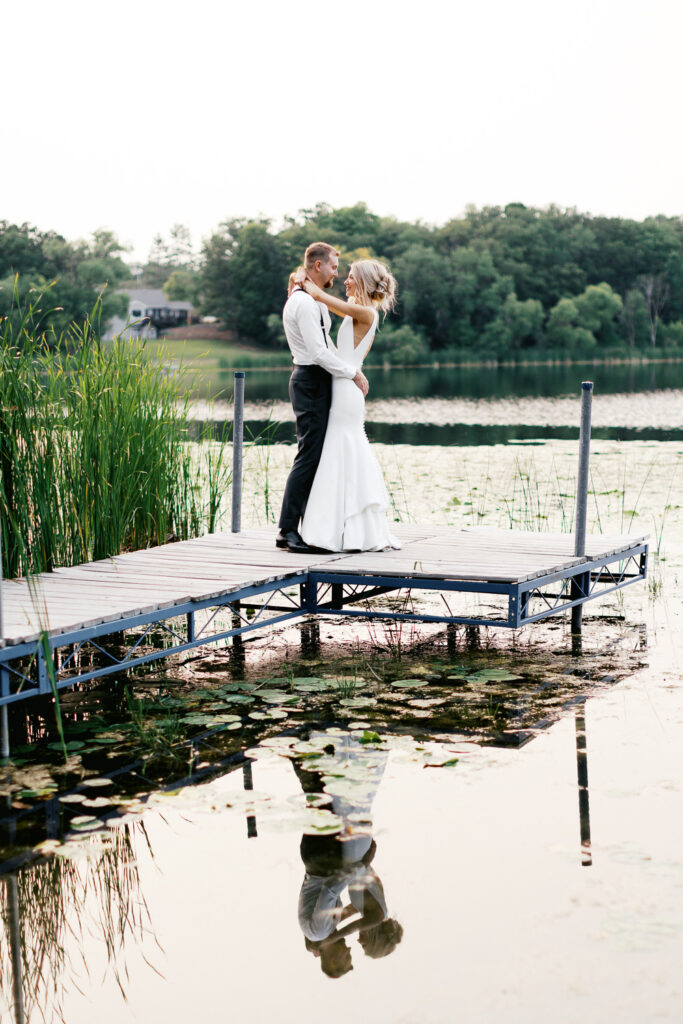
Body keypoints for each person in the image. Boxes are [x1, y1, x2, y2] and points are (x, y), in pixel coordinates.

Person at [295, 257, 401, 552]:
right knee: (340, 450)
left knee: (344, 448)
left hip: (346, 392)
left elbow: (320, 297)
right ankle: (341, 527)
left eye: (352, 276)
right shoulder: (356, 313)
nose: (346, 280)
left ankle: (347, 529)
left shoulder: (365, 312)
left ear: (364, 282)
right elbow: (339, 350)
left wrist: (303, 281)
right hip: (343, 385)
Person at [276, 242, 369, 553]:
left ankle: (311, 527)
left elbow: (325, 343)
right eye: (332, 267)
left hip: (318, 380)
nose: (336, 272)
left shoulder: (311, 301)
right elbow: (316, 352)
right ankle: (287, 530)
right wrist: (351, 373)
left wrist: (344, 370)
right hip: (310, 381)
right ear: (317, 266)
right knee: (308, 455)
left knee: (316, 455)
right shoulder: (302, 303)